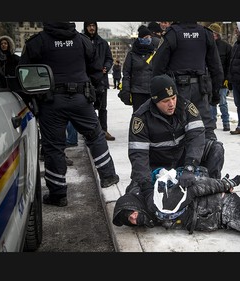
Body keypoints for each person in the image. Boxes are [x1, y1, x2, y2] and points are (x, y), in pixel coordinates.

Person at [20, 22, 119, 207]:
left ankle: (58, 195)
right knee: (95, 136)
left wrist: (32, 99)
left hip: (51, 102)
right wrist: (93, 91)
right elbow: (96, 69)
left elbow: (24, 74)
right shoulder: (81, 41)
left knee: (54, 148)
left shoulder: (37, 42)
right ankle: (108, 175)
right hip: (81, 99)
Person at [126, 74, 224, 194]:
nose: (171, 104)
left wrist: (190, 166)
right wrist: (146, 185)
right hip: (157, 167)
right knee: (135, 193)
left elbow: (197, 138)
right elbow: (138, 156)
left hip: (183, 160)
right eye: (166, 101)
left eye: (173, 98)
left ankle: (212, 188)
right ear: (155, 100)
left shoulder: (186, 108)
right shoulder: (141, 118)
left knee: (216, 148)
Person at [152, 21, 225, 179]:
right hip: (201, 90)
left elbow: (157, 66)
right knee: (206, 132)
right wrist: (216, 93)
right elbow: (216, 67)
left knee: (180, 132)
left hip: (178, 91)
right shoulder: (205, 33)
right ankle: (212, 180)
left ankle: (181, 177)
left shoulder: (173, 34)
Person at [83, 21, 116, 141]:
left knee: (102, 107)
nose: (92, 28)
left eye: (93, 26)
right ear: (85, 27)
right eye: (89, 26)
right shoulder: (82, 41)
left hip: (101, 79)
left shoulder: (102, 43)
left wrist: (106, 68)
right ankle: (90, 132)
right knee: (88, 107)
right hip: (86, 80)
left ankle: (104, 130)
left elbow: (109, 58)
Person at [121, 25, 155, 112]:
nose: (149, 39)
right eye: (146, 37)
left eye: (150, 37)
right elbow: (126, 74)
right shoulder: (132, 54)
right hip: (137, 93)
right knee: (139, 116)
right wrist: (126, 90)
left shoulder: (154, 53)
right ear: (140, 38)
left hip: (152, 91)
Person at [208, 22, 232, 132]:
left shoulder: (226, 47)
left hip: (222, 80)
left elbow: (229, 65)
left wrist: (227, 78)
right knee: (212, 102)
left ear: (215, 34)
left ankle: (226, 122)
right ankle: (212, 122)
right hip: (210, 79)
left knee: (222, 102)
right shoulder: (207, 46)